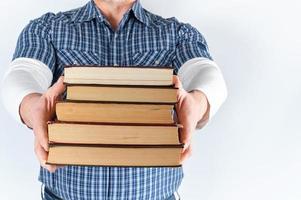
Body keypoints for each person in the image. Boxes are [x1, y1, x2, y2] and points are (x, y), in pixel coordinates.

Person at [1, 0, 227, 199]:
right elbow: (23, 74)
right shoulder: (46, 28)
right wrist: (33, 107)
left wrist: (196, 105)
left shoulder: (178, 33)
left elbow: (206, 74)